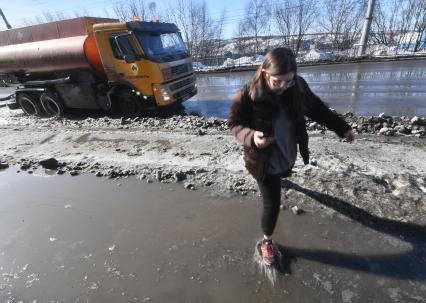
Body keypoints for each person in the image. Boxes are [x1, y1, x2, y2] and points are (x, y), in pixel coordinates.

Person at [227, 47, 354, 266]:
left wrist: (342, 128)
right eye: (278, 82)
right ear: (265, 72)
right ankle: (267, 241)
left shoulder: (298, 88)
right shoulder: (247, 94)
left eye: (289, 81)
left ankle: (283, 180)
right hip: (262, 161)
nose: (283, 87)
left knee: (284, 173)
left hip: (287, 153)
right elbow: (234, 124)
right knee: (272, 204)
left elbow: (318, 110)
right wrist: (251, 137)